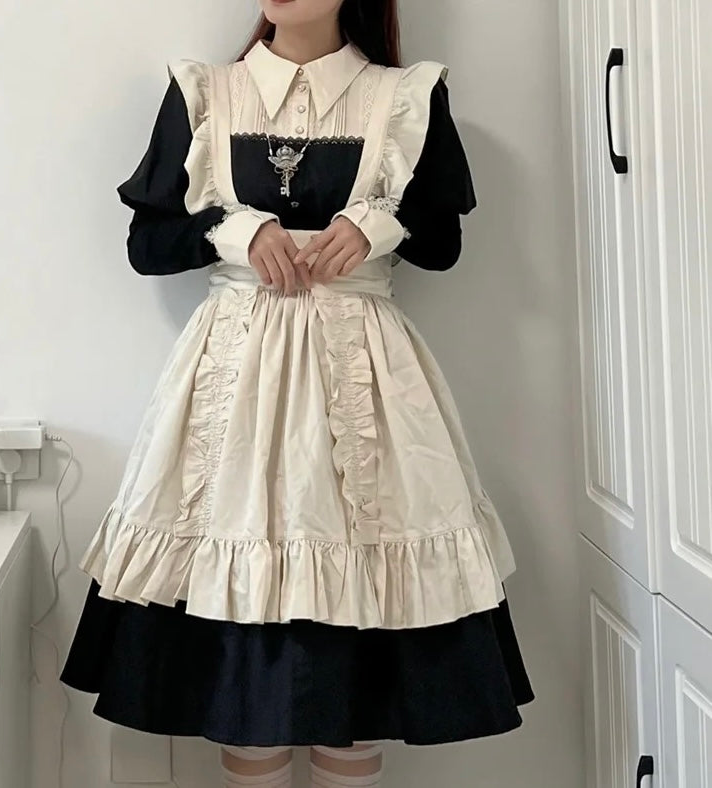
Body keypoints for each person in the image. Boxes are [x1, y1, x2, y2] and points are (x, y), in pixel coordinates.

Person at [60, 1, 535, 786]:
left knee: (355, 698)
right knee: (247, 700)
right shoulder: (207, 92)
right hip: (233, 380)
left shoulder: (407, 94)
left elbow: (444, 242)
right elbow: (148, 245)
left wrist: (379, 226)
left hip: (367, 381)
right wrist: (233, 229)